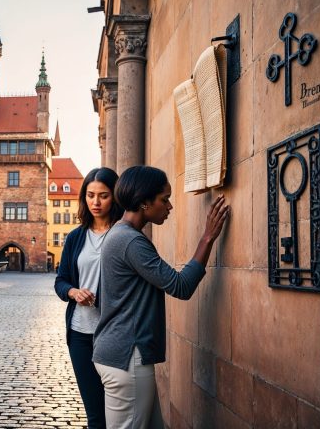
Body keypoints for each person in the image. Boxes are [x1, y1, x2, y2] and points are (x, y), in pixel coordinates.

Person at [92, 166, 229, 428]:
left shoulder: (120, 235)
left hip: (119, 354)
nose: (170, 206)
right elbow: (180, 286)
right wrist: (208, 237)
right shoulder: (130, 241)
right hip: (126, 357)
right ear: (144, 202)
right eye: (164, 199)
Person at [54, 167, 123, 429]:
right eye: (90, 195)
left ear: (115, 197)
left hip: (113, 333)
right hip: (80, 333)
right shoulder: (75, 237)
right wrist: (73, 291)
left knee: (116, 412)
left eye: (103, 196)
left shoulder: (122, 233)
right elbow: (61, 281)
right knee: (94, 413)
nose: (95, 202)